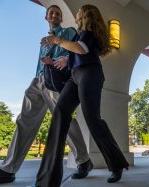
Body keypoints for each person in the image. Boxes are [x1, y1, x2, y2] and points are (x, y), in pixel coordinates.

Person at [35, 4, 129, 187]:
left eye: (79, 11)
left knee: (93, 120)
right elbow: (76, 52)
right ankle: (47, 177)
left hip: (90, 75)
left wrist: (57, 41)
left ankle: (116, 164)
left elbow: (82, 49)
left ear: (86, 15)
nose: (77, 13)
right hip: (75, 76)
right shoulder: (80, 33)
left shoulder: (88, 31)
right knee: (60, 114)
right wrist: (63, 59)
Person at [0, 5, 91, 184]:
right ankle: (8, 168)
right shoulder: (44, 41)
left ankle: (84, 160)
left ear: (61, 17)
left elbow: (77, 51)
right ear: (46, 17)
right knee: (24, 121)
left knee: (63, 120)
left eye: (58, 13)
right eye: (51, 12)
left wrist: (61, 57)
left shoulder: (69, 31)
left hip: (54, 83)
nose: (55, 14)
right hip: (37, 81)